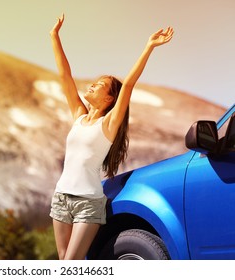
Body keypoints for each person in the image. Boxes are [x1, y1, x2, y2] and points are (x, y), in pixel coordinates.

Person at [49, 13, 174, 260]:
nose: (92, 85)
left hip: (88, 202)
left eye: (100, 85)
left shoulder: (108, 124)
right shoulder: (79, 116)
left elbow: (127, 85)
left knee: (72, 264)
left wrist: (149, 47)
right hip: (61, 196)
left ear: (109, 99)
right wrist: (54, 36)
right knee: (62, 260)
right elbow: (65, 76)